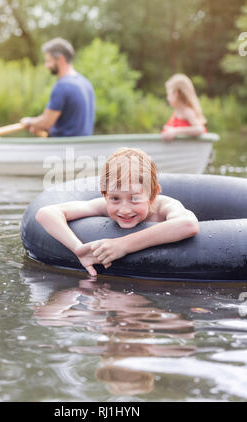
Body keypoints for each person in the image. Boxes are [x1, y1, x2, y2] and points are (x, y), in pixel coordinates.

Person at [35, 147, 199, 276]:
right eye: (115, 198)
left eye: (134, 198)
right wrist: (78, 249)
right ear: (104, 194)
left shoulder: (164, 207)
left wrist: (122, 245)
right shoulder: (103, 206)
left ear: (153, 194)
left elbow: (189, 225)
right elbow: (46, 213)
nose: (124, 209)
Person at [21, 38, 95, 137]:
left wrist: (28, 121)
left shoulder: (62, 86)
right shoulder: (86, 83)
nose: (46, 65)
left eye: (48, 61)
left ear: (60, 59)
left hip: (64, 149)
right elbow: (73, 125)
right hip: (83, 149)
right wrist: (42, 128)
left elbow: (46, 122)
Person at [162, 73, 207, 141]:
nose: (167, 98)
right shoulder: (176, 113)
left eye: (168, 94)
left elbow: (200, 129)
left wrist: (176, 131)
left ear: (176, 94)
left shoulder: (187, 111)